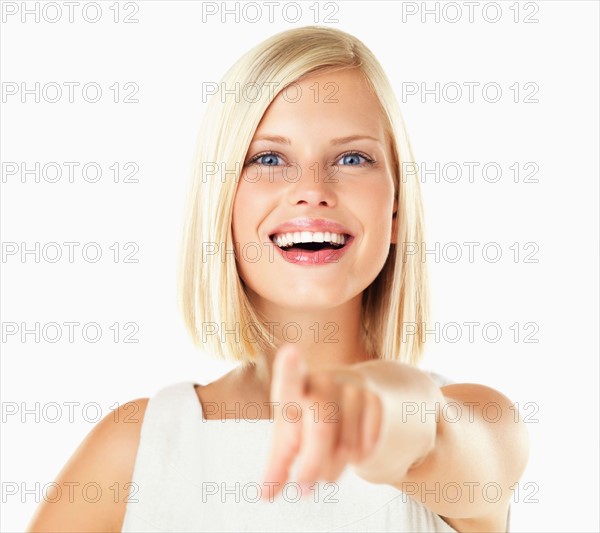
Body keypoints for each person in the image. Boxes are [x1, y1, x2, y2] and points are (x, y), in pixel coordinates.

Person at [27, 26, 529, 533]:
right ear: (221, 206)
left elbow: (436, 435)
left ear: (396, 209)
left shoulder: (484, 422)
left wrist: (377, 414)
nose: (312, 190)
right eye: (269, 159)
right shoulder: (132, 448)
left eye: (352, 158)